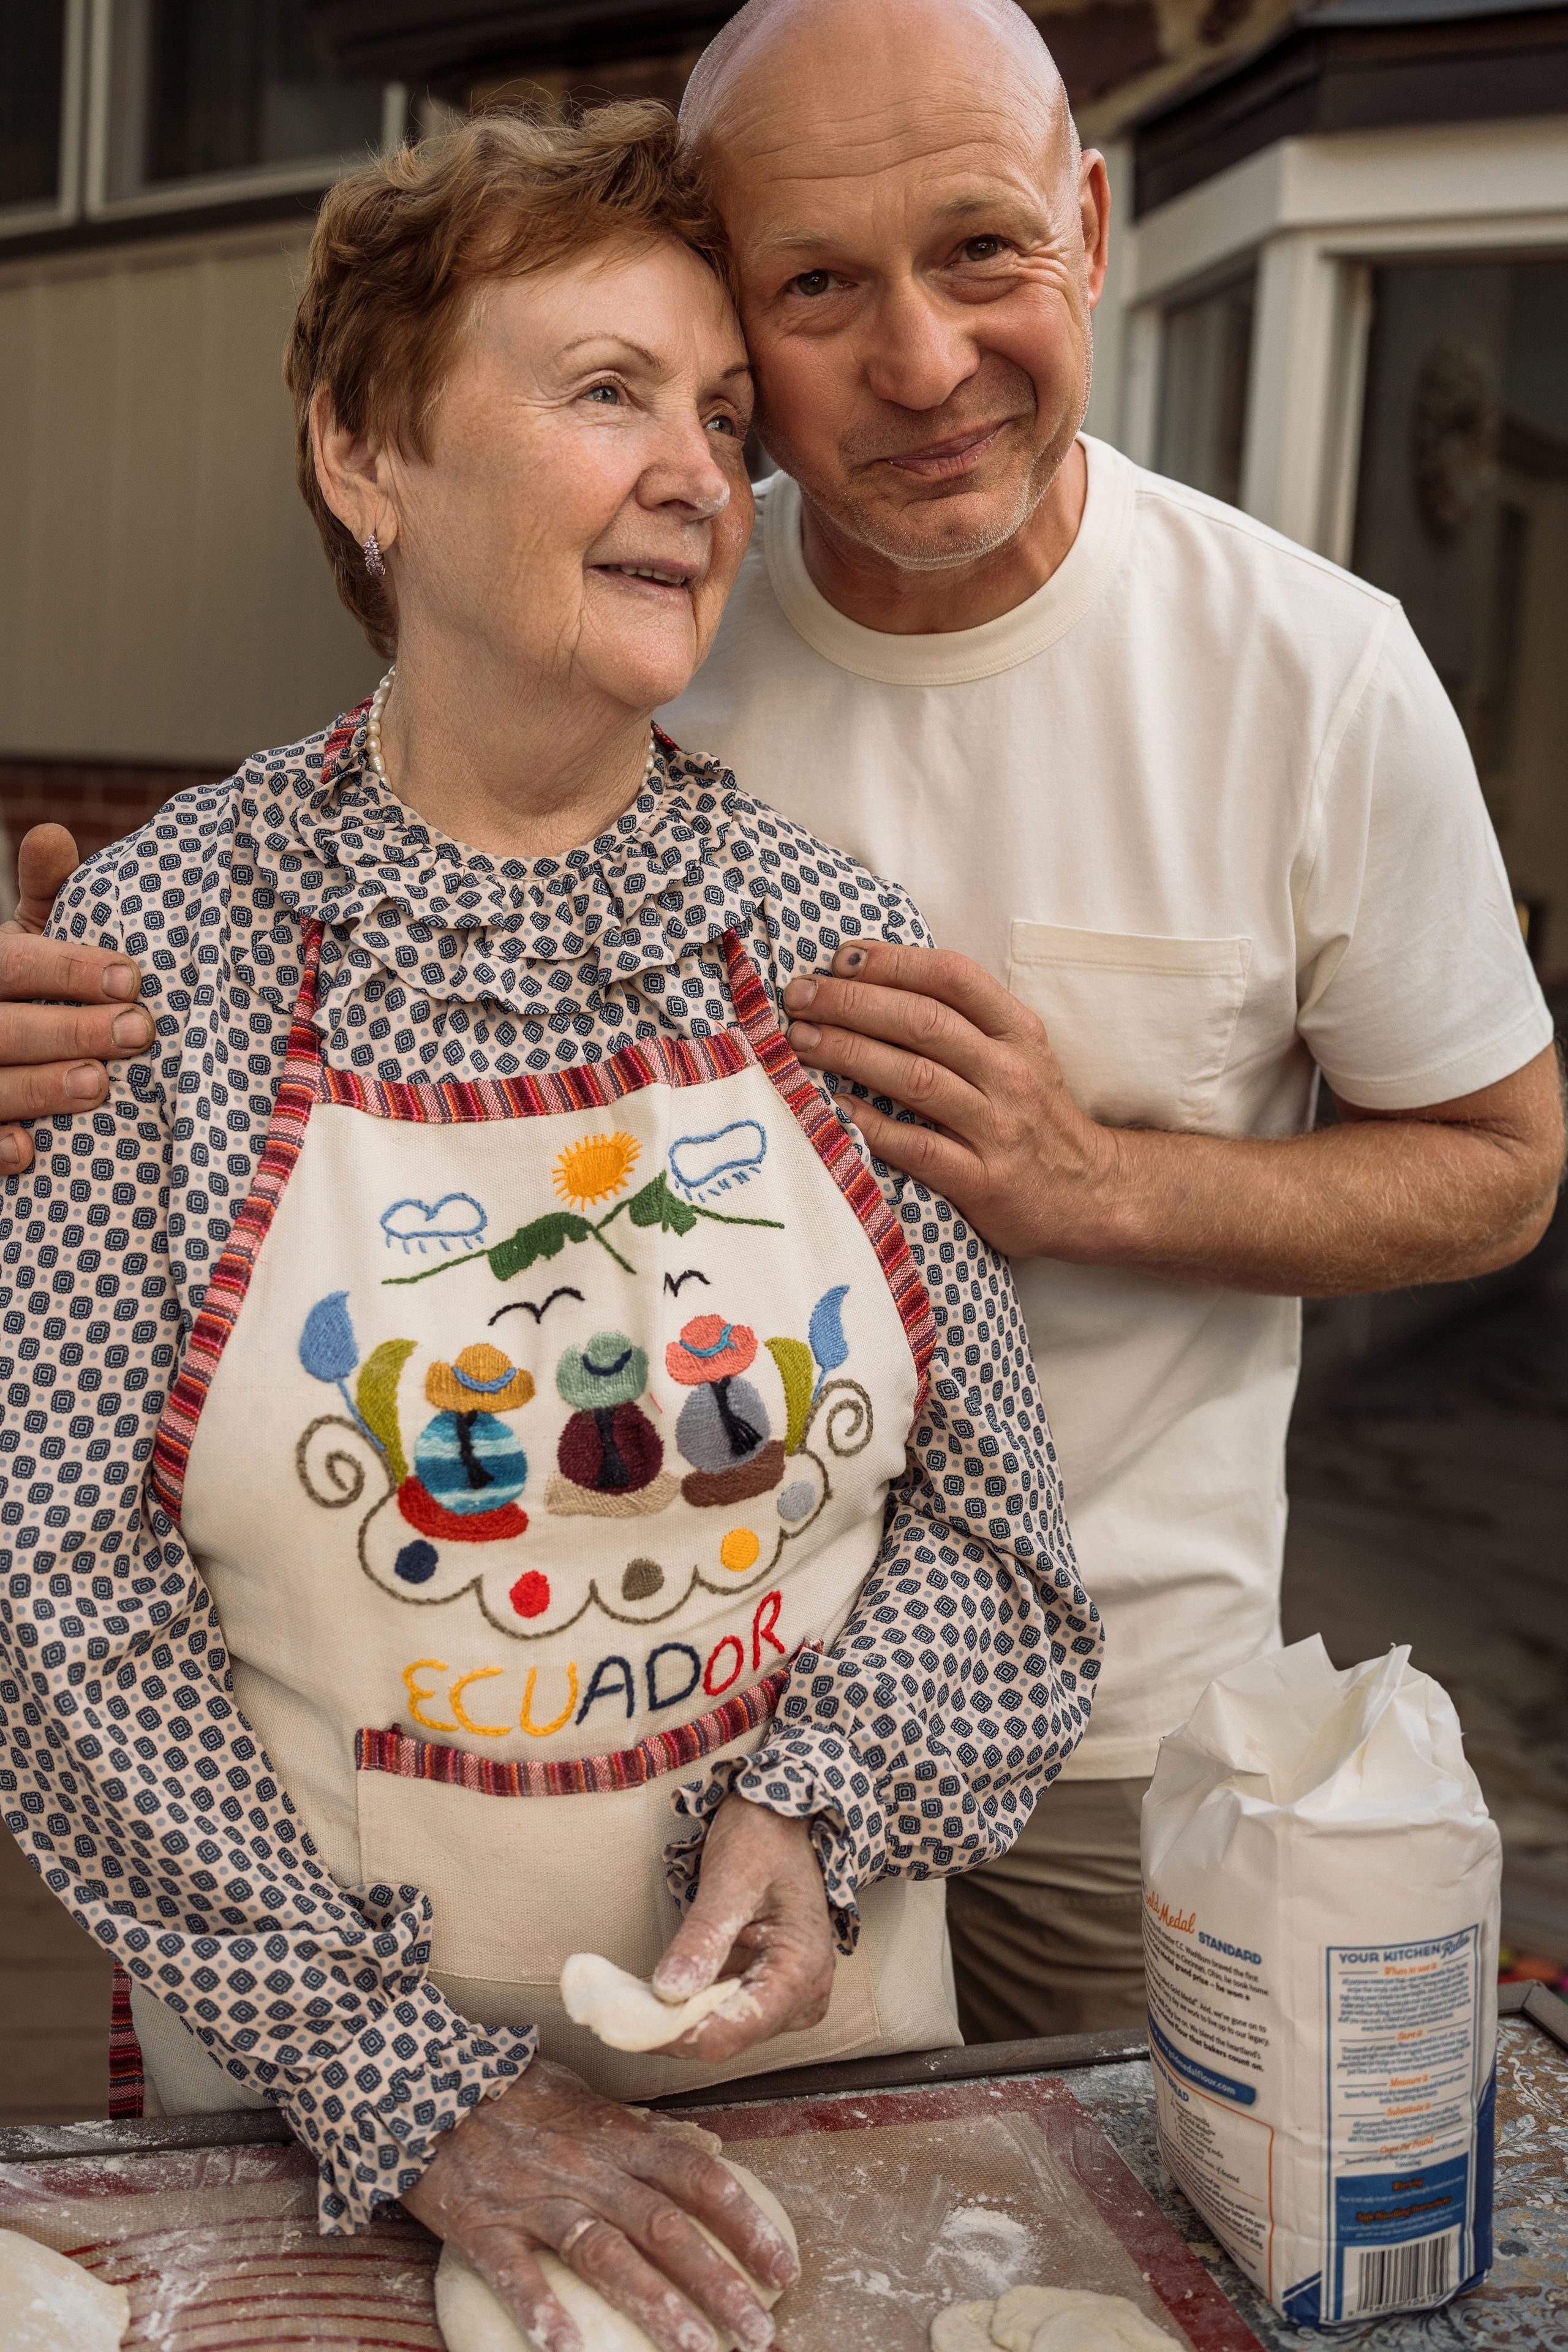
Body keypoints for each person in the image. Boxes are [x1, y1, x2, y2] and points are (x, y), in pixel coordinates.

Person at [4, 0, 1561, 2041]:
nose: (916, 365)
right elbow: (88, 1535)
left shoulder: (1301, 678)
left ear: (1092, 229)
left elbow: (1503, 1168)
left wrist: (1091, 1183)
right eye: (813, 292)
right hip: (456, 1861)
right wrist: (92, 1031)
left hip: (1100, 1725)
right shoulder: (575, 687)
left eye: (983, 250)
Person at [0, 105, 1098, 2352]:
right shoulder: (165, 960)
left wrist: (819, 1806)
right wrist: (409, 2084)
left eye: (717, 414)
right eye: (609, 393)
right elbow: (58, 1589)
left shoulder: (818, 935)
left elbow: (1001, 1536)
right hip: (320, 2158)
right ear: (364, 452)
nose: (704, 469)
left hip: (833, 2133)